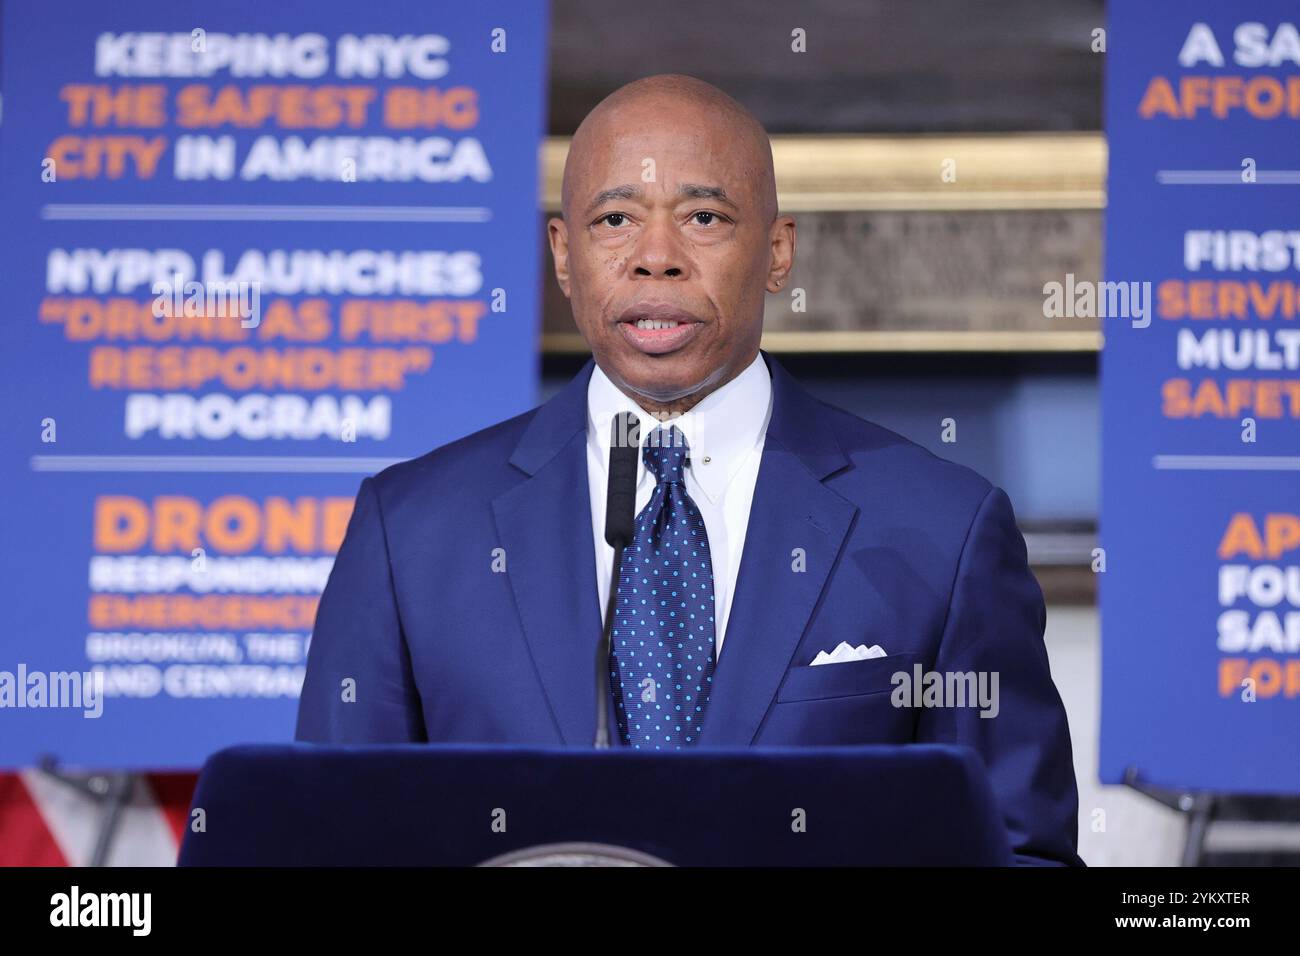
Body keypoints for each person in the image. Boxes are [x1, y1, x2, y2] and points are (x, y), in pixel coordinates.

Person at [296, 74, 1082, 866]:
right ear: (565, 257)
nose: (657, 260)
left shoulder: (941, 531)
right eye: (615, 221)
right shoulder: (412, 531)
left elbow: (1020, 853)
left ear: (778, 252)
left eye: (704, 218)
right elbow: (330, 845)